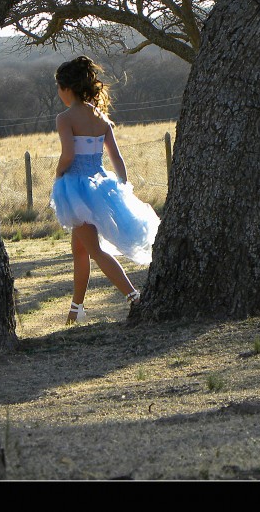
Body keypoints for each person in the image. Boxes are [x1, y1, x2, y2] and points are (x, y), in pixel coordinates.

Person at [50, 55, 161, 324]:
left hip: (77, 189)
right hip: (101, 185)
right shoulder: (100, 117)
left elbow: (68, 155)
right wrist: (122, 188)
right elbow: (117, 159)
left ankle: (135, 298)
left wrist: (58, 174)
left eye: (59, 88)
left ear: (67, 88)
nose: (58, 93)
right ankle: (76, 310)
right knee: (80, 249)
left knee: (96, 251)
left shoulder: (65, 118)